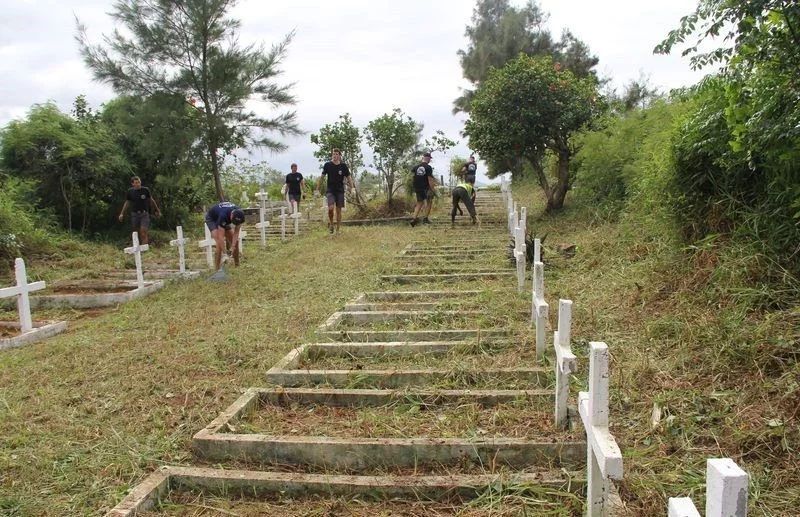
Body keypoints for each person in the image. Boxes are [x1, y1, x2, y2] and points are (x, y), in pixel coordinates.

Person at [317, 148, 354, 234]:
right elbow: (322, 177)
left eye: (337, 154)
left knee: (338, 210)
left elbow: (349, 177)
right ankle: (331, 224)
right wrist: (317, 189)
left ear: (339, 156)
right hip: (330, 190)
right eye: (333, 154)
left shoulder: (343, 166)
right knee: (330, 208)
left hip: (340, 191)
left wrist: (352, 188)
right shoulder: (327, 165)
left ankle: (338, 229)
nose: (335, 155)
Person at [118, 176, 161, 244]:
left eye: (139, 182)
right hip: (135, 214)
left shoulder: (145, 190)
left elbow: (151, 200)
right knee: (136, 233)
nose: (138, 184)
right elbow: (127, 202)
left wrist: (157, 210)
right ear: (132, 184)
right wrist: (121, 213)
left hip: (144, 214)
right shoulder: (130, 191)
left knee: (143, 232)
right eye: (136, 183)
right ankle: (139, 248)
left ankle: (145, 248)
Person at [204, 201, 246, 270]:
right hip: (212, 219)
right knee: (219, 245)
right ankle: (217, 269)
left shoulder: (240, 216)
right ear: (231, 215)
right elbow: (221, 237)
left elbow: (236, 233)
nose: (234, 224)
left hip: (223, 219)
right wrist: (225, 251)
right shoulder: (223, 216)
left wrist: (233, 246)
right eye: (233, 222)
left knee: (236, 242)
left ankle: (237, 265)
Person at [410, 151, 436, 227]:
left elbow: (411, 176)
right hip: (425, 188)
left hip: (417, 187)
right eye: (429, 158)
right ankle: (425, 219)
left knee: (419, 203)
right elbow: (430, 179)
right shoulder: (428, 167)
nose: (429, 160)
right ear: (428, 159)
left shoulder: (416, 167)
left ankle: (414, 219)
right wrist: (433, 189)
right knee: (429, 202)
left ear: (423, 158)